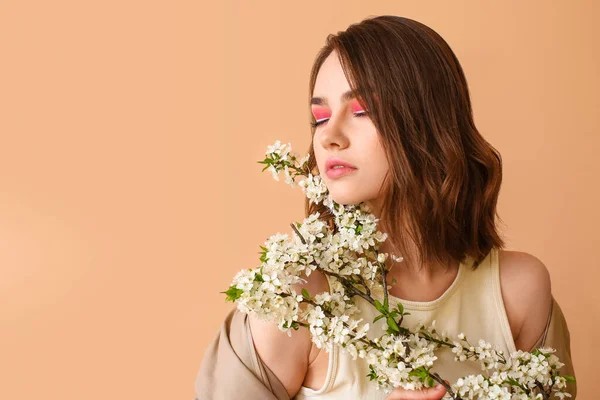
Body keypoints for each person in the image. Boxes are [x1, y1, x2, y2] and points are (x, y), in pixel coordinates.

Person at [194, 15, 576, 400]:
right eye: (319, 117)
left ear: (428, 121)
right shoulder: (296, 298)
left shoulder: (518, 291)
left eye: (361, 111)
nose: (329, 136)